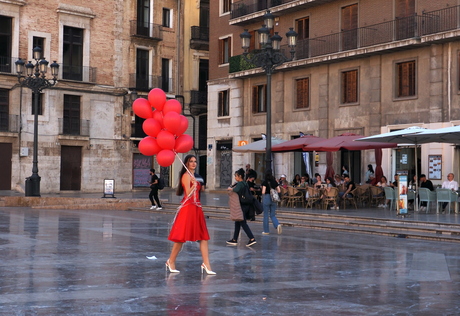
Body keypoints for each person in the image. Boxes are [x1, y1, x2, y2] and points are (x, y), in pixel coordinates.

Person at [166, 155, 215, 275]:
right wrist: (194, 185)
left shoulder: (193, 176)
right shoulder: (186, 176)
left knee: (203, 237)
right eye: (191, 161)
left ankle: (206, 264)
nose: (193, 163)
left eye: (195, 161)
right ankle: (171, 261)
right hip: (188, 208)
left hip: (197, 208)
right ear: (186, 164)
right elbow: (188, 194)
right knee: (181, 238)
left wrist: (196, 183)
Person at [227, 168, 257, 247]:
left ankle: (252, 238)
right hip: (245, 205)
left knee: (243, 223)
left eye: (236, 176)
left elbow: (236, 190)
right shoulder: (245, 183)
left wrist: (230, 188)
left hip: (242, 205)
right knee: (237, 221)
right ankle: (234, 239)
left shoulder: (240, 183)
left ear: (240, 176)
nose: (235, 177)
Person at [261, 169, 282, 235]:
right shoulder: (274, 181)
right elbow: (279, 190)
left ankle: (266, 231)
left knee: (266, 215)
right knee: (272, 214)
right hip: (274, 198)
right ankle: (277, 224)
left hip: (267, 197)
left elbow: (263, 192)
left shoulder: (265, 182)